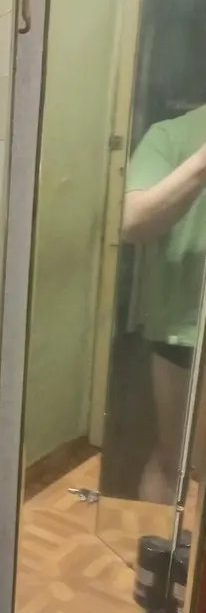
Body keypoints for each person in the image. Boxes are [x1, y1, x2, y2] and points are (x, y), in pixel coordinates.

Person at [122, 104, 206, 503]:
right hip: (185, 330)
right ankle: (159, 544)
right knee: (175, 460)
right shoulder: (171, 135)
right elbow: (134, 222)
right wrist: (202, 164)